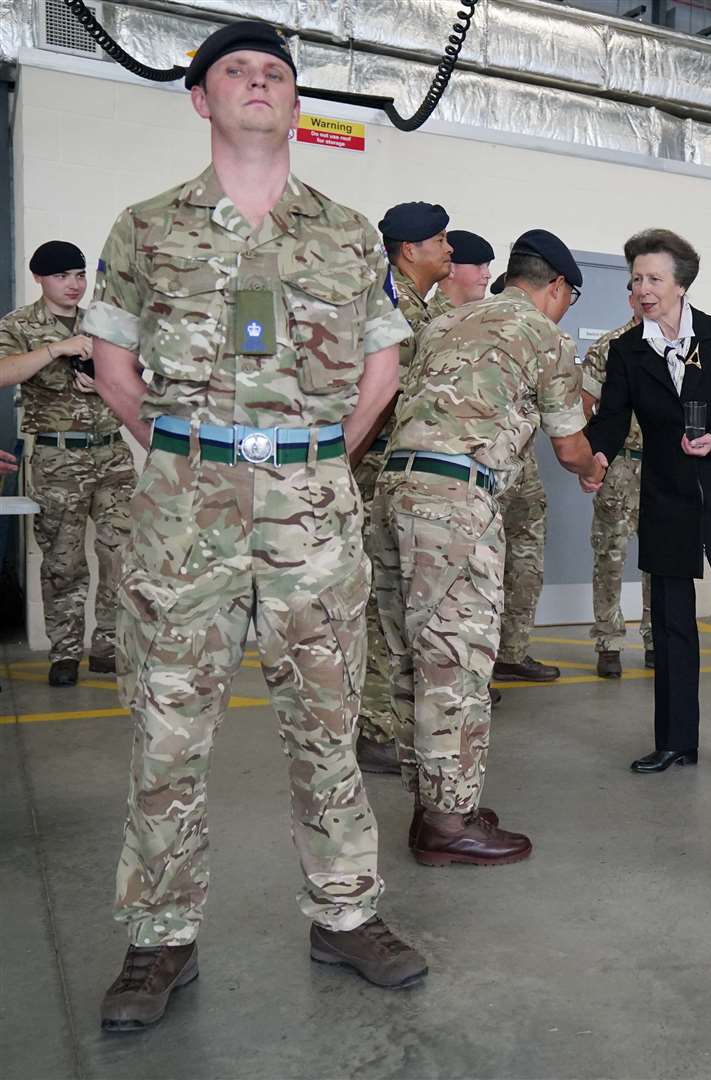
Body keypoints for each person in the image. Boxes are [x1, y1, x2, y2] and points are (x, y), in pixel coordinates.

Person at [82, 22, 425, 1031]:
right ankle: (157, 941)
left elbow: (381, 367)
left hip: (314, 511)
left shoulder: (348, 231)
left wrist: (321, 458)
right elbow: (112, 368)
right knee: (168, 728)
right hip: (185, 511)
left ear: (295, 103)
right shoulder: (148, 228)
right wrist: (193, 453)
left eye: (276, 71)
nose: (260, 81)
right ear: (200, 98)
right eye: (236, 69)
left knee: (328, 724)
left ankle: (346, 912)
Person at [374, 229, 601, 865]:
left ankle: (432, 804)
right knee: (458, 659)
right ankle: (450, 825)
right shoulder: (544, 337)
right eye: (570, 299)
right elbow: (568, 443)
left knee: (411, 655)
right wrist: (592, 465)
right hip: (454, 500)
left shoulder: (448, 321)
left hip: (395, 490)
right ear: (555, 287)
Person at [585, 228, 711, 779]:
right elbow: (609, 420)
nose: (642, 288)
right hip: (666, 500)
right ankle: (676, 742)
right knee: (672, 627)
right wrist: (596, 458)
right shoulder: (627, 350)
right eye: (636, 279)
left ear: (680, 283)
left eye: (653, 278)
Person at [0, 241, 135, 686]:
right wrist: (57, 348)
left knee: (120, 555)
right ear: (39, 278)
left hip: (112, 453)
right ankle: (65, 653)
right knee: (63, 561)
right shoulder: (20, 324)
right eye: (62, 276)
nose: (74, 285)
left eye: (79, 275)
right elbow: (4, 372)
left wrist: (108, 385)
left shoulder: (103, 321)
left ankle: (108, 646)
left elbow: (140, 372)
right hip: (58, 458)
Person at [353, 200, 453, 774]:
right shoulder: (386, 305)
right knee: (377, 606)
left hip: (395, 476)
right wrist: (348, 465)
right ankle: (373, 729)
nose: (449, 249)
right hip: (371, 476)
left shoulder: (422, 307)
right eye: (440, 240)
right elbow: (375, 395)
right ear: (410, 250)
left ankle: (387, 720)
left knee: (396, 602)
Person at [580, 287, 652, 677]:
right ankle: (608, 641)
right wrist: (592, 457)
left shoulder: (680, 348)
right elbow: (583, 404)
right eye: (639, 293)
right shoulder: (610, 346)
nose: (647, 299)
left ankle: (657, 637)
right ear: (629, 301)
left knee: (660, 556)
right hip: (620, 465)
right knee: (610, 555)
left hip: (662, 467)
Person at [428, 229, 494, 316]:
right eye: (478, 264)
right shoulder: (419, 322)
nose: (488, 275)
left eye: (487, 266)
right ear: (450, 269)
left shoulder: (483, 321)